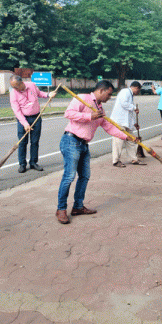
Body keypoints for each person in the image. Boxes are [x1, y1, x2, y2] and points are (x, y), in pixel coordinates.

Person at [56, 81, 130, 224]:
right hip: (71, 141)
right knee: (69, 176)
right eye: (108, 94)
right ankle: (61, 209)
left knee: (84, 176)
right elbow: (69, 114)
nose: (110, 97)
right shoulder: (82, 98)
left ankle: (78, 206)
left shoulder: (100, 108)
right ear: (101, 91)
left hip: (84, 145)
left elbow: (109, 127)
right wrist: (90, 116)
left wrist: (127, 137)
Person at [9, 74, 56, 173]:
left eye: (16, 86)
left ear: (22, 83)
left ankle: (33, 162)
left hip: (36, 118)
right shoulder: (13, 93)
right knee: (22, 143)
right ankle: (22, 164)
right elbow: (16, 111)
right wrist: (25, 123)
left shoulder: (32, 85)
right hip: (23, 120)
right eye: (13, 87)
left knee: (35, 142)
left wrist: (48, 95)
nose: (15, 89)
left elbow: (39, 94)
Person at [110, 81, 145, 167]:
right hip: (119, 121)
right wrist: (134, 108)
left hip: (125, 122)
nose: (138, 93)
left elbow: (129, 113)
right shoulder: (125, 92)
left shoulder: (130, 95)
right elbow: (124, 104)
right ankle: (116, 161)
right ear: (136, 88)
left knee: (131, 140)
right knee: (118, 141)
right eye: (138, 90)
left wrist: (134, 124)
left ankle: (133, 158)